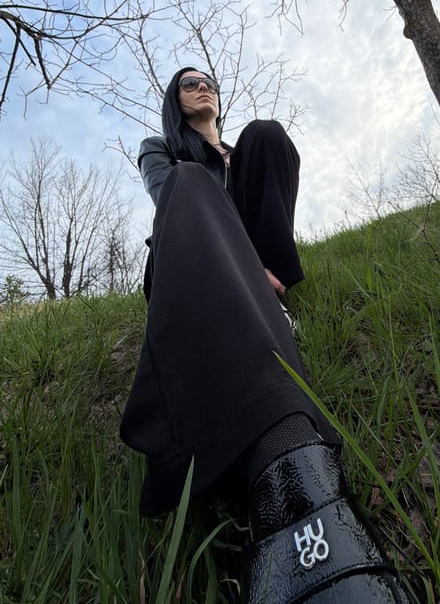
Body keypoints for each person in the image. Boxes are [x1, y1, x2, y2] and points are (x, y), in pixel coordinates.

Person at [120, 67, 410, 603]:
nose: (201, 85)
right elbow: (167, 201)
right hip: (197, 261)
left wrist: (261, 262)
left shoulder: (243, 151)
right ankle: (284, 479)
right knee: (190, 183)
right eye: (187, 83)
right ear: (174, 101)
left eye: (207, 80)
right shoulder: (161, 150)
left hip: (260, 258)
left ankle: (269, 297)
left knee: (268, 131)